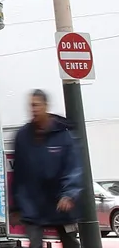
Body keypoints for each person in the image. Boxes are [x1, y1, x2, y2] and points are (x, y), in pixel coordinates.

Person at [10, 89, 83, 248]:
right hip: (32, 205)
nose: (33, 109)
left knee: (70, 243)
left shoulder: (62, 134)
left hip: (59, 203)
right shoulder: (22, 136)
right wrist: (15, 207)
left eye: (37, 105)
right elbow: (18, 175)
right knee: (35, 243)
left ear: (45, 106)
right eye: (31, 105)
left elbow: (73, 167)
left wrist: (69, 194)